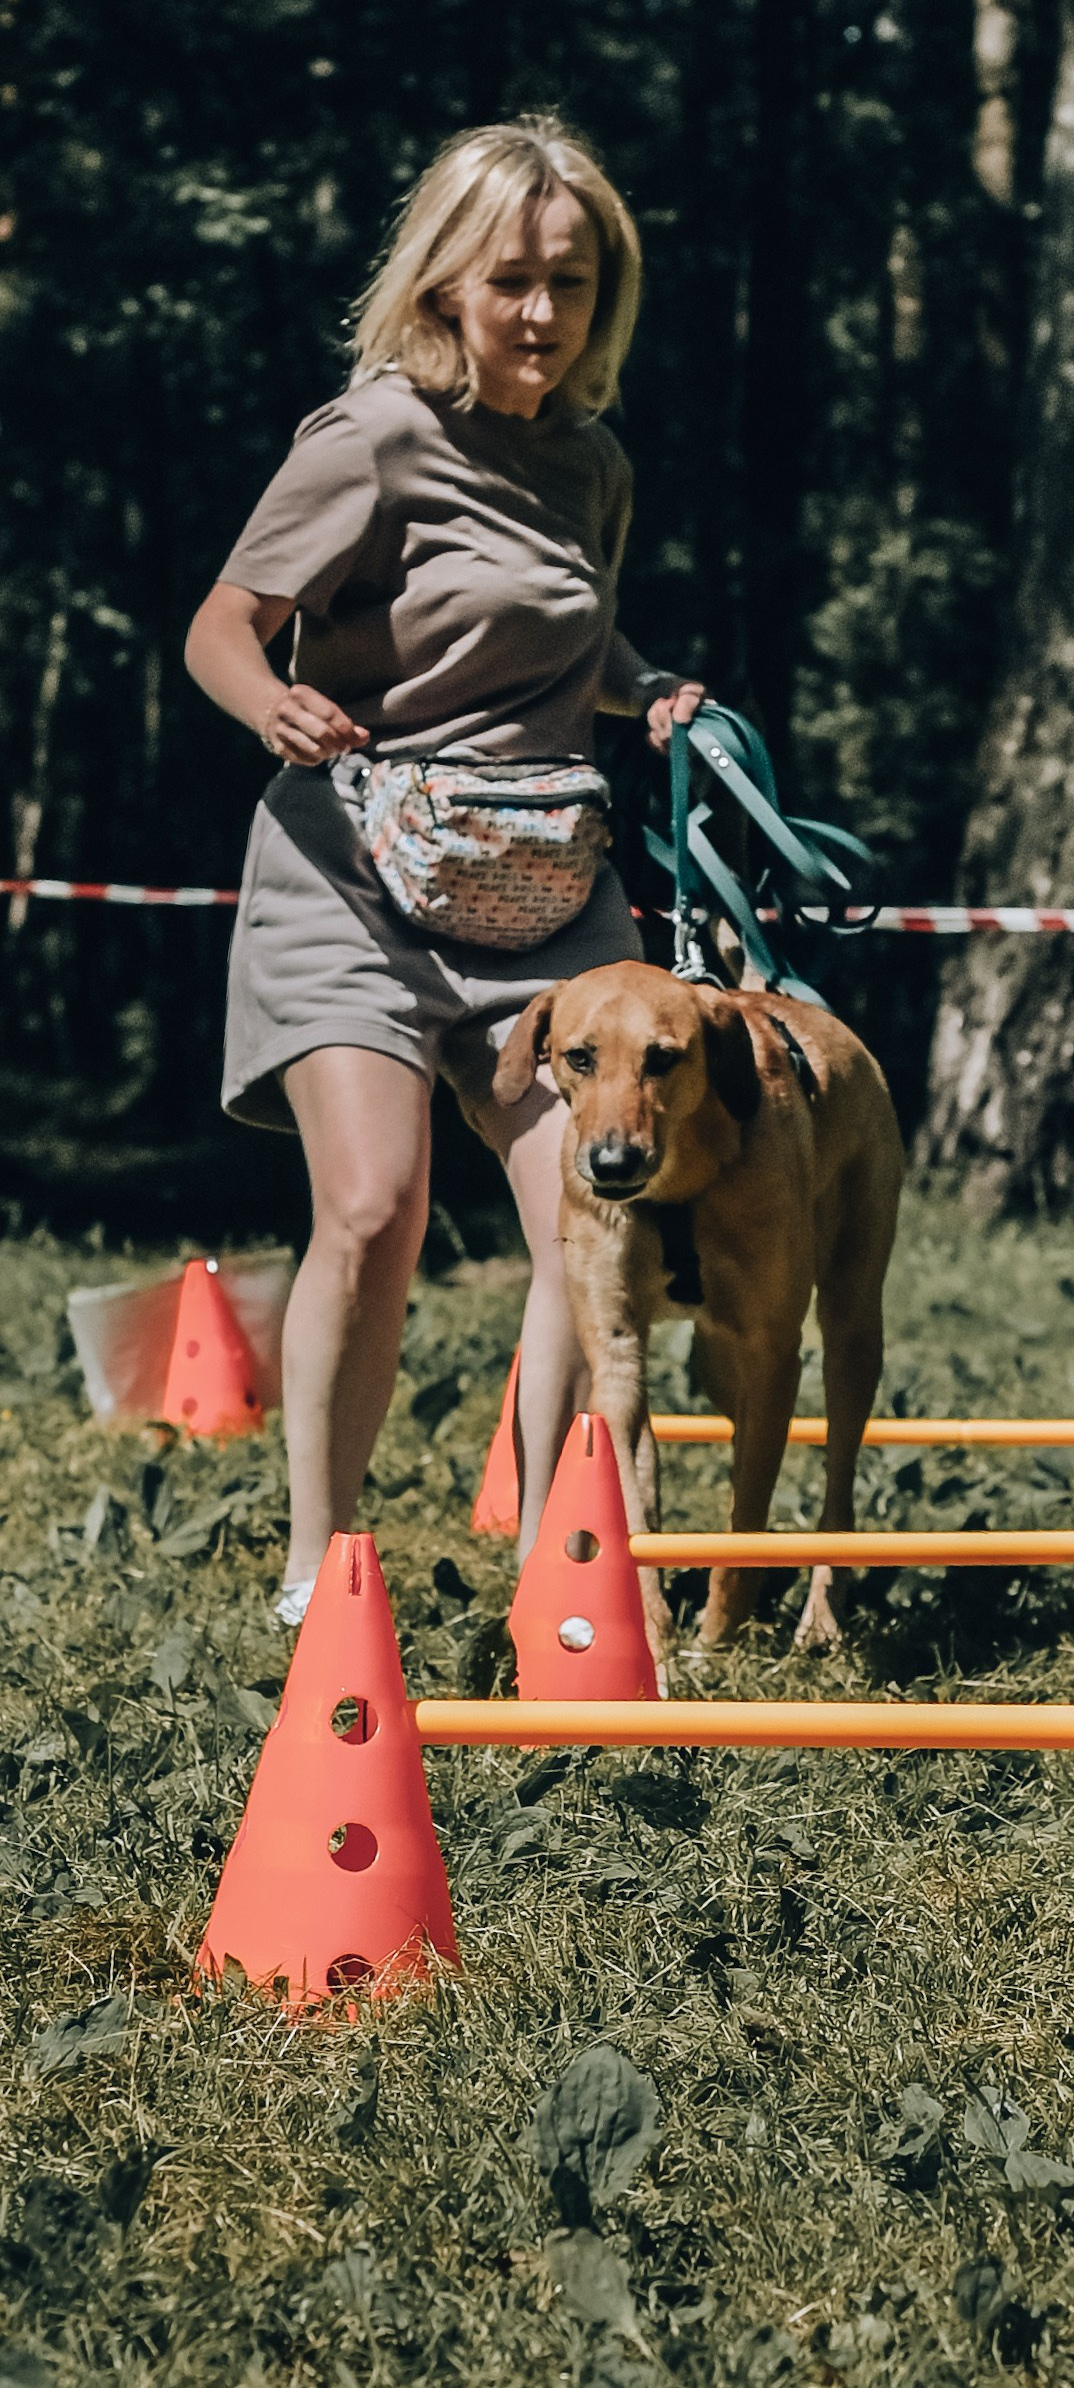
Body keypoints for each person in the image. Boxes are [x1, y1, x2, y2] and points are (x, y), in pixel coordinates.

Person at [184, 117, 704, 1624]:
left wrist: (650, 687)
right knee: (374, 1202)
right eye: (513, 280)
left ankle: (558, 1555)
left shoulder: (593, 464)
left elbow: (567, 636)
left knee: (591, 1218)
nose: (544, 313)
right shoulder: (373, 435)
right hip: (352, 870)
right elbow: (223, 622)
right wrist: (268, 697)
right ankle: (319, 1562)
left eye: (575, 280)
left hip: (540, 891)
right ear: (446, 286)